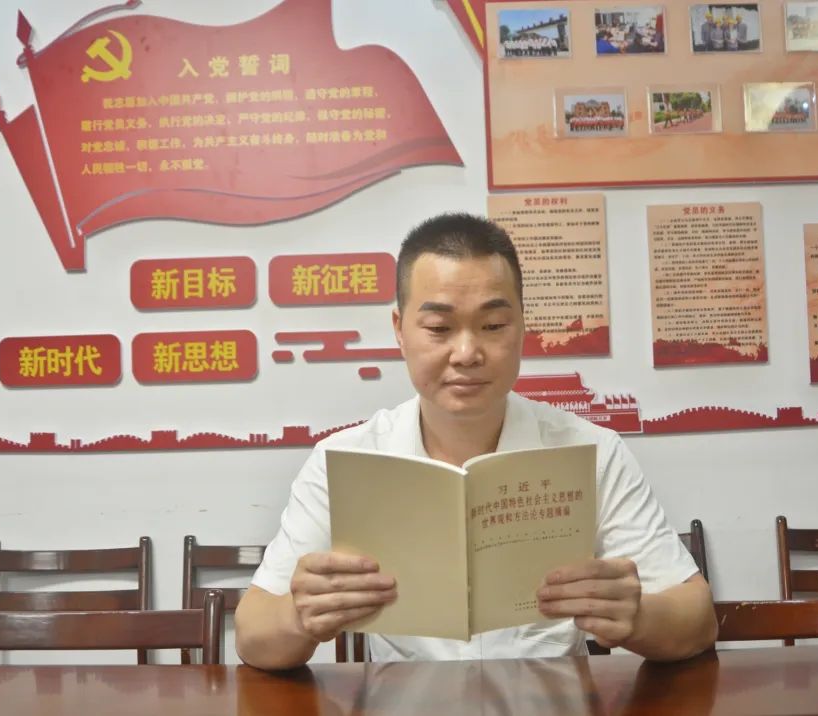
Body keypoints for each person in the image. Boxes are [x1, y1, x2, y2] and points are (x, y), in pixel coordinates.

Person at [234, 214, 717, 670]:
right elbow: (253, 635)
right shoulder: (346, 460)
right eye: (439, 328)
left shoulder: (591, 452)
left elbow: (696, 621)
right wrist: (299, 617)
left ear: (522, 326)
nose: (466, 353)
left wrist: (637, 617)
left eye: (493, 326)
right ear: (400, 330)